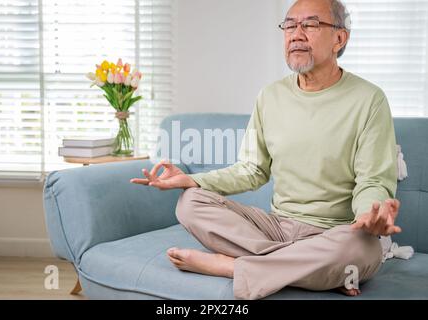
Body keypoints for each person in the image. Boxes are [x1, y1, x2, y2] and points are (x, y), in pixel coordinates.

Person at [131, 0, 401, 300]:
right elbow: (252, 170)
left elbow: (373, 181)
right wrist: (192, 180)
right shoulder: (270, 96)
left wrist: (369, 214)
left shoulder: (369, 99)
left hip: (334, 232)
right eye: (289, 25)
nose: (296, 34)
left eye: (310, 24)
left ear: (340, 38)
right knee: (189, 203)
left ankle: (234, 267)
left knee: (362, 247)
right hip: (275, 227)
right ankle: (314, 270)